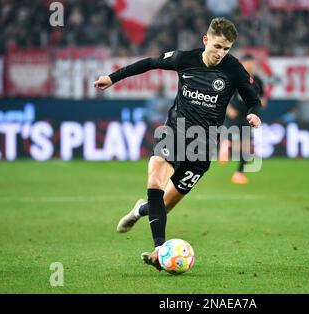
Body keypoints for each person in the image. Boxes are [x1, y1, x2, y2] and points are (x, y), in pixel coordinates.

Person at [93, 18, 261, 271]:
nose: (220, 53)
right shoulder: (184, 59)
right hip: (175, 132)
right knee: (155, 179)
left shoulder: (233, 69)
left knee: (165, 204)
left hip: (203, 146)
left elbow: (253, 99)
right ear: (206, 40)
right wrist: (112, 77)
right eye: (217, 46)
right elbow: (149, 63)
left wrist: (254, 113)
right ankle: (159, 249)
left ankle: (140, 210)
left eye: (226, 49)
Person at [219, 53, 266, 184]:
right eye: (247, 63)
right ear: (243, 64)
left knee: (246, 147)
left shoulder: (258, 81)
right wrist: (228, 109)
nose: (249, 66)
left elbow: (263, 99)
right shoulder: (236, 76)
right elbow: (224, 95)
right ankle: (226, 146)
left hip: (248, 117)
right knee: (233, 136)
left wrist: (258, 106)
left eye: (251, 64)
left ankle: (238, 173)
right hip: (235, 114)